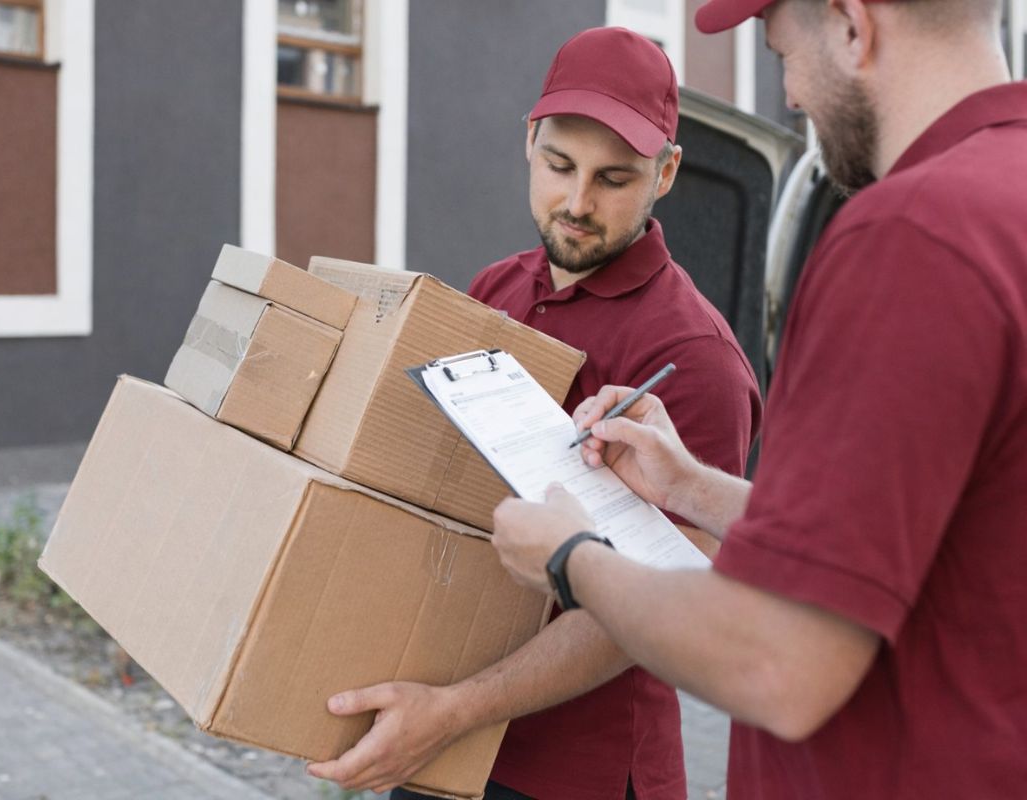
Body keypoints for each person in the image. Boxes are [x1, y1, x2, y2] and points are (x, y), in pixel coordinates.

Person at [491, 1, 1027, 797]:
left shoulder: (910, 233)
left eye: (782, 55)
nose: (795, 98)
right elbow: (893, 548)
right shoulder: (1004, 197)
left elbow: (781, 662)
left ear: (851, 23)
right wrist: (690, 487)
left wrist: (572, 559)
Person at [308, 27, 762, 800]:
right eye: (560, 166)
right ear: (529, 141)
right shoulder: (497, 289)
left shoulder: (694, 354)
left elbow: (650, 616)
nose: (578, 203)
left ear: (667, 173)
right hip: (442, 737)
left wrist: (452, 711)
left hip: (576, 772)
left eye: (614, 179)